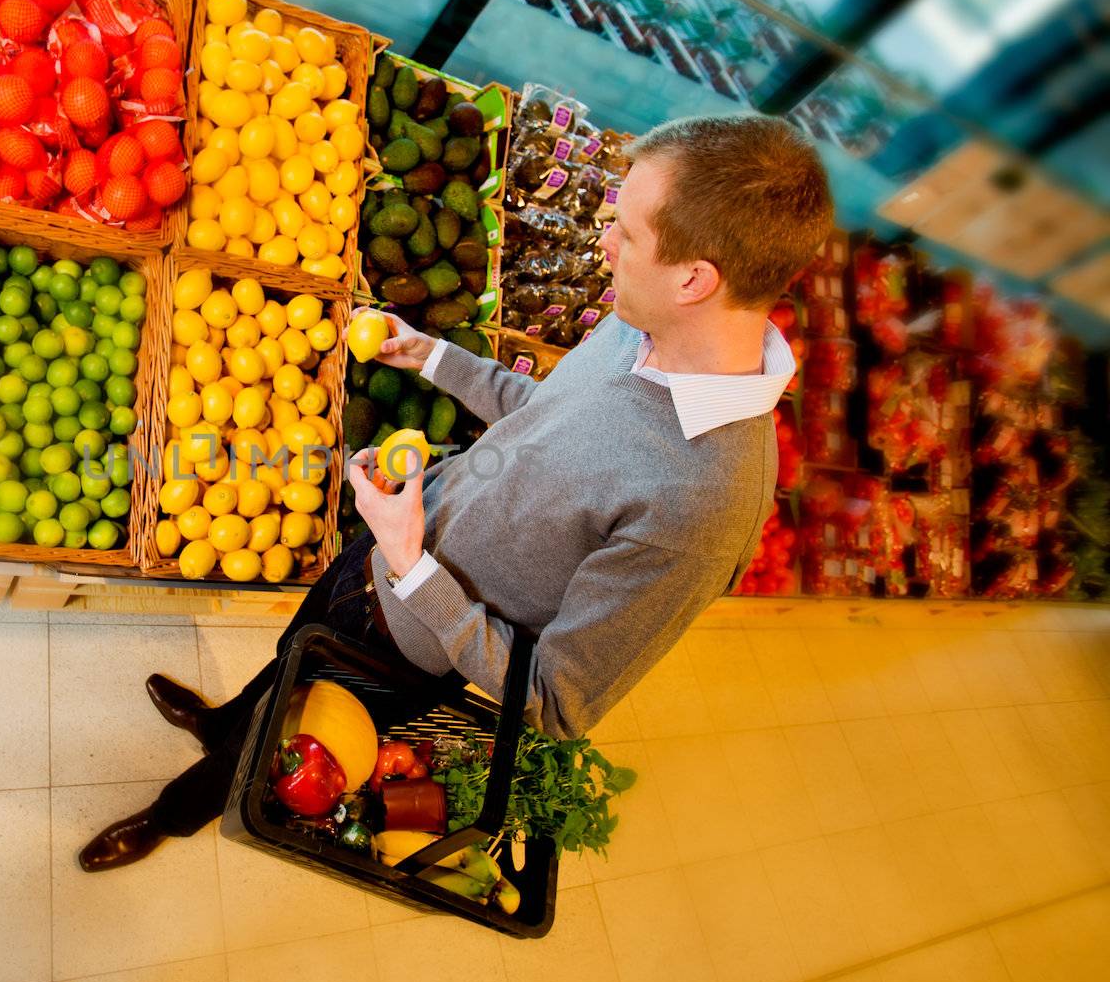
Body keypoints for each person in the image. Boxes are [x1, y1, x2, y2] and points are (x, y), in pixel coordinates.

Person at [78, 112, 834, 870]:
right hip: (382, 554)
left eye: (627, 235)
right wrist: (436, 357)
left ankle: (171, 813)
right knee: (282, 674)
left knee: (282, 740)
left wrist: (414, 566)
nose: (605, 243)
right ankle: (224, 722)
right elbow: (548, 420)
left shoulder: (701, 505)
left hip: (408, 645)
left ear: (694, 278)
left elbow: (555, 699)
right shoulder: (647, 327)